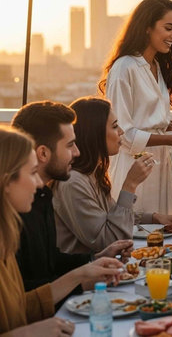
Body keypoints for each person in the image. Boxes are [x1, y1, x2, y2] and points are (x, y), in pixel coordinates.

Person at [0, 125, 123, 335]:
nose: (39, 183)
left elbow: (18, 307)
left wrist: (82, 273)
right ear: (6, 181)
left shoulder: (5, 239)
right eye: (31, 173)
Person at [12, 101, 131, 297]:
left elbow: (50, 261)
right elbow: (23, 292)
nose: (77, 152)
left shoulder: (42, 197)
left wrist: (95, 258)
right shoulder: (16, 209)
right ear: (43, 153)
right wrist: (81, 280)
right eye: (70, 145)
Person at [99, 0, 172, 216]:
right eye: (168, 28)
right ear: (147, 27)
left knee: (163, 234)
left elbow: (146, 120)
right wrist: (170, 139)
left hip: (159, 166)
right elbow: (124, 132)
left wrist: (169, 128)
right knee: (134, 234)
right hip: (132, 168)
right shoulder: (124, 68)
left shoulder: (156, 66)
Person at [52, 97, 172, 254]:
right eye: (114, 126)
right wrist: (130, 185)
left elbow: (110, 216)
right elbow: (109, 240)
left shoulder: (93, 174)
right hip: (86, 271)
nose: (121, 131)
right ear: (95, 133)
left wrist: (154, 217)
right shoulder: (73, 182)